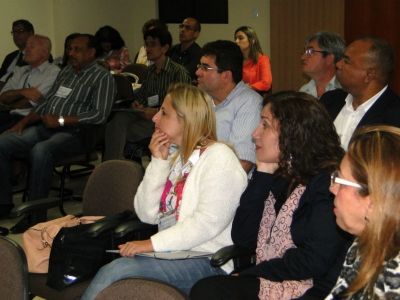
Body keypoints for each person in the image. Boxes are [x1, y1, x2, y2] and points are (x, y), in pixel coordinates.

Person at [81, 83, 248, 299]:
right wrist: (158, 162)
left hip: (208, 260)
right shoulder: (177, 157)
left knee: (117, 271)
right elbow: (147, 214)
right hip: (173, 253)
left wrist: (151, 244)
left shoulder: (219, 157)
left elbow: (207, 224)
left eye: (164, 113)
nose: (154, 118)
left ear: (186, 119)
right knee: (115, 271)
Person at [190, 91, 353, 300]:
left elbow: (313, 260)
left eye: (265, 125)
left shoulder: (326, 184)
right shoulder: (282, 176)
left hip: (310, 288)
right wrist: (263, 172)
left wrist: (252, 274)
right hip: (275, 278)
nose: (255, 133)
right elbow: (243, 238)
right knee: (209, 290)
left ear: (293, 133)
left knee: (210, 291)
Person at [0, 34, 116, 229]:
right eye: (69, 48)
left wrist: (61, 120)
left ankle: (35, 215)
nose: (70, 53)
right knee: (3, 143)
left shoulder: (102, 77)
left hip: (77, 134)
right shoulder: (66, 72)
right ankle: (3, 204)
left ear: (91, 52)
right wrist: (23, 123)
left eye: (77, 49)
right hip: (46, 128)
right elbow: (46, 102)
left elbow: (99, 115)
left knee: (41, 150)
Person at [327, 125, 400, 299]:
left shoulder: (393, 276)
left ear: (374, 201)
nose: (332, 188)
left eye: (342, 181)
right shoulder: (366, 241)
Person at [103, 28, 191, 161]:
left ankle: (116, 167)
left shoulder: (178, 72)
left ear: (165, 48)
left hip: (166, 121)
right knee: (118, 119)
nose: (147, 48)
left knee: (118, 131)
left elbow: (183, 107)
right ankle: (110, 168)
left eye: (152, 44)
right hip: (145, 117)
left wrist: (156, 111)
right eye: (146, 44)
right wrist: (138, 105)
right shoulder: (149, 71)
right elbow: (144, 99)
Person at [321, 36, 400, 150]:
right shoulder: (328, 101)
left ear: (369, 75)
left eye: (346, 61)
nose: (338, 64)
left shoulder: (394, 120)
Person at [196, 40, 262, 174]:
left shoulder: (249, 102)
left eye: (205, 68)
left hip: (222, 184)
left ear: (226, 76)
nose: (198, 72)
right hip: (194, 173)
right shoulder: (202, 98)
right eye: (199, 66)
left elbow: (242, 163)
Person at [0, 34, 60, 133]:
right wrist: (23, 92)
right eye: (26, 46)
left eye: (32, 46)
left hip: (30, 119)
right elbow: (2, 98)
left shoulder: (53, 71)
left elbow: (30, 103)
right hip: (10, 115)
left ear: (45, 52)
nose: (26, 50)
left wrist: (11, 103)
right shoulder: (20, 70)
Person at [300, 31, 345, 98]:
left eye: (310, 52)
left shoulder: (346, 91)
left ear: (329, 59)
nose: (302, 57)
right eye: (304, 52)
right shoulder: (304, 91)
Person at [234, 26, 272, 95]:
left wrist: (246, 89)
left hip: (254, 96)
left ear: (252, 40)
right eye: (235, 38)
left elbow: (266, 83)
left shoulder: (262, 58)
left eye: (240, 38)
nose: (236, 41)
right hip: (237, 96)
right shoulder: (235, 59)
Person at [169, 18, 202, 82]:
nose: (182, 30)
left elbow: (185, 75)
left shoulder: (199, 54)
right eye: (182, 26)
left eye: (188, 28)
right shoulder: (171, 50)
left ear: (196, 34)